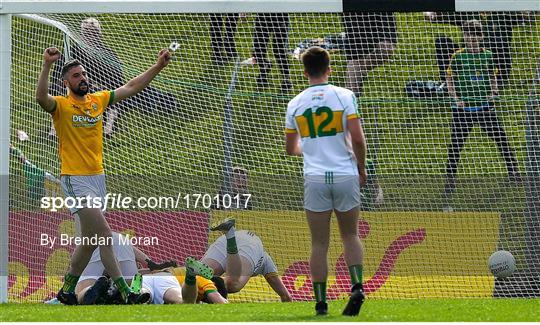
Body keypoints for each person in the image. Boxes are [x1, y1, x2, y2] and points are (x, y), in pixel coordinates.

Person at [36, 45, 171, 304]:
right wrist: (46, 66)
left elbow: (131, 87)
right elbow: (41, 98)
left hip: (98, 179)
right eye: (76, 76)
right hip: (75, 179)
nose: (82, 78)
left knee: (89, 242)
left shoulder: (98, 100)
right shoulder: (62, 106)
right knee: (105, 234)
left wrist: (158, 66)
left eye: (84, 74)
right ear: (66, 83)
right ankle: (125, 291)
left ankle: (66, 291)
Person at [284, 46, 367, 316]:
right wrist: (361, 168)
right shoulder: (345, 96)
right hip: (344, 173)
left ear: (305, 71)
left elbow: (290, 148)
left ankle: (320, 303)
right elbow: (357, 139)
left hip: (316, 177)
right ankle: (357, 286)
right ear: (329, 69)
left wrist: (310, 148)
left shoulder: (295, 103)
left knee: (319, 243)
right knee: (350, 235)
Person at [444, 20, 521, 210]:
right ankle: (449, 182)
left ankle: (514, 172)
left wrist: (493, 92)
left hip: (484, 108)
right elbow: (449, 78)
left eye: (475, 35)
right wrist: (455, 98)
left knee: (502, 138)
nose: (471, 38)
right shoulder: (458, 56)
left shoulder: (488, 55)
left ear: (481, 36)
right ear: (464, 36)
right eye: (468, 35)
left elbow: (493, 75)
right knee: (455, 147)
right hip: (464, 110)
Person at [425, 12, 533, 87]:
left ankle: (496, 83)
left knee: (499, 40)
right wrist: (431, 14)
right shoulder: (468, 10)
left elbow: (527, 15)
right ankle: (448, 83)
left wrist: (525, 13)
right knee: (442, 42)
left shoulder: (503, 12)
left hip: (493, 67)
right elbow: (435, 16)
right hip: (467, 62)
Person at [201, 218, 292, 302]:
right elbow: (286, 297)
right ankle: (230, 233)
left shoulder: (266, 263)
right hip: (250, 243)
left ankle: (192, 274)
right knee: (233, 284)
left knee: (199, 279)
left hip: (229, 239)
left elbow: (286, 297)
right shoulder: (266, 261)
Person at [343, 12, 397, 97]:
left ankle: (361, 69)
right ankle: (349, 98)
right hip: (355, 12)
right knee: (356, 58)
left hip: (382, 8)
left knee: (386, 48)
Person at [251, 13, 292, 92]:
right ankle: (264, 67)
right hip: (262, 14)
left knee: (278, 49)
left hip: (280, 15)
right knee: (258, 47)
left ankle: (286, 78)